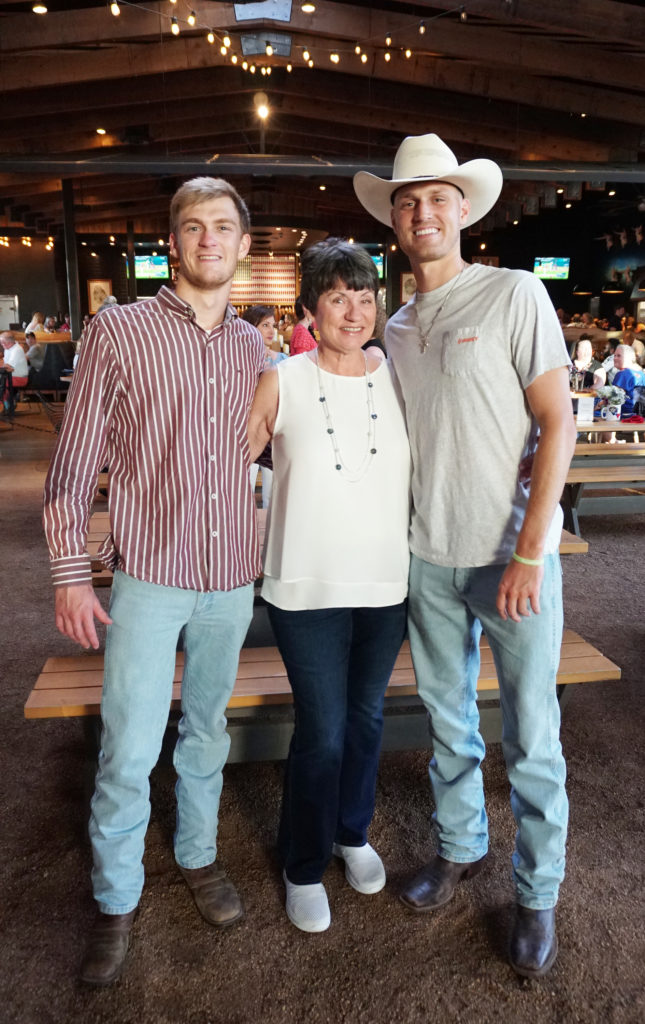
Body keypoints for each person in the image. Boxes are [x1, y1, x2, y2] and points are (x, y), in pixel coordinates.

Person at [354, 133, 576, 978]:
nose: (422, 212)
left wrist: (529, 550)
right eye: (407, 201)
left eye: (436, 198)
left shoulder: (514, 295)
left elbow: (555, 424)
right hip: (426, 558)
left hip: (508, 557)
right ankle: (458, 848)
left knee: (532, 735)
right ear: (396, 221)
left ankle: (537, 889)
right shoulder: (397, 326)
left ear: (463, 211)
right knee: (449, 726)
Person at [43, 176, 265, 987]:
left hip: (232, 578)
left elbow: (274, 454)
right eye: (193, 227)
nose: (208, 240)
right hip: (148, 575)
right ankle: (115, 898)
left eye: (223, 228)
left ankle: (199, 856)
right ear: (172, 243)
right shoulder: (119, 330)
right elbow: (72, 469)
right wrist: (72, 576)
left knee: (206, 732)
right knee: (129, 746)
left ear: (243, 246)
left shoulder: (254, 349)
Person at [247, 239, 411, 933]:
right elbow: (225, 466)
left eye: (364, 295)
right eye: (337, 296)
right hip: (303, 588)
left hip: (385, 584)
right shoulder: (280, 378)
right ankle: (303, 862)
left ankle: (351, 832)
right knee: (323, 727)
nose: (353, 309)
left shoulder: (400, 375)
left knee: (366, 719)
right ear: (310, 309)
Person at [241, 304, 287, 508]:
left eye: (273, 325)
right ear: (251, 327)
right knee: (243, 489)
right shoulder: (239, 360)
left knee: (271, 494)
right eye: (265, 325)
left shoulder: (284, 361)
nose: (271, 331)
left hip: (274, 433)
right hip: (246, 432)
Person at [611, 344, 645, 415]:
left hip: (626, 415)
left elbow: (614, 399)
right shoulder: (641, 374)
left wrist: (599, 405)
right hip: (641, 415)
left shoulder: (623, 374)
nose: (615, 358)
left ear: (628, 358)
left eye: (619, 356)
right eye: (614, 355)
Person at [1, 330, 29, 415]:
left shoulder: (16, 350)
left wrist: (3, 365)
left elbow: (8, 366)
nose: (1, 344)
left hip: (20, 378)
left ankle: (7, 405)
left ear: (8, 342)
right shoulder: (8, 349)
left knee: (1, 382)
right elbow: (5, 364)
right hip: (11, 376)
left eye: (2, 342)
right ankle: (7, 404)